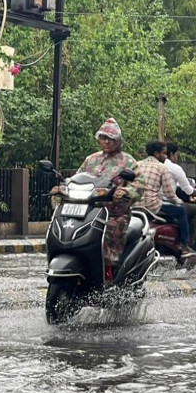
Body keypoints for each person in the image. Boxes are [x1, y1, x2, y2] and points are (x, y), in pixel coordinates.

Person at [72, 118, 142, 283]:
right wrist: (62, 188)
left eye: (110, 138)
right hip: (88, 212)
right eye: (103, 138)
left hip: (114, 214)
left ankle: (109, 271)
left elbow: (139, 186)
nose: (106, 141)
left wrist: (125, 192)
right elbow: (76, 178)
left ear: (118, 140)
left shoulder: (128, 161)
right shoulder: (91, 160)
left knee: (109, 233)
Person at [137, 140, 196, 259]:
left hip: (135, 205)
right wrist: (179, 202)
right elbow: (170, 194)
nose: (165, 156)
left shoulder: (136, 164)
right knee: (182, 211)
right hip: (153, 206)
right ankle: (185, 246)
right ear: (156, 153)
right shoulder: (162, 167)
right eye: (164, 153)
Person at [164, 142, 196, 248]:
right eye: (176, 154)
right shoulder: (174, 168)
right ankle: (188, 243)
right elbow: (188, 190)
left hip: (146, 205)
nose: (176, 157)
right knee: (195, 209)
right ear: (171, 154)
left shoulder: (147, 165)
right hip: (163, 203)